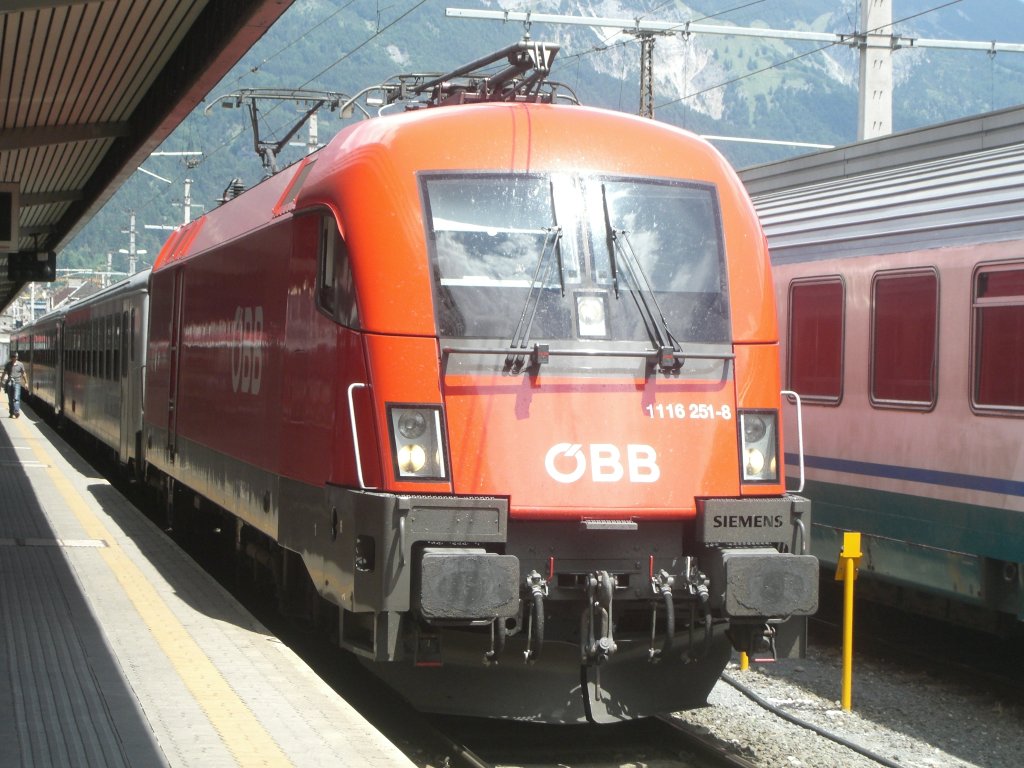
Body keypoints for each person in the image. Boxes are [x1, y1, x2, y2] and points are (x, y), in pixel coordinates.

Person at [1, 350, 26, 418]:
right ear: (10, 357)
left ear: (17, 357)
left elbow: (23, 374)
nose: (13, 358)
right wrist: (1, 383)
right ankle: (11, 412)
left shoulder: (20, 364)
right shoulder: (8, 364)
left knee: (16, 397)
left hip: (17, 383)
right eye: (12, 356)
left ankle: (16, 411)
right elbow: (4, 374)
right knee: (10, 399)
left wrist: (26, 383)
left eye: (15, 356)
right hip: (9, 383)